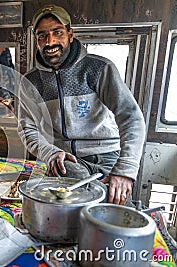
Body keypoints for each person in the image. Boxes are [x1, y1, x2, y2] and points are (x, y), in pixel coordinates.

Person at [17, 5, 146, 206]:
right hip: (66, 160)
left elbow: (131, 117)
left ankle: (139, 214)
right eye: (42, 36)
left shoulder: (99, 69)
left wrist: (125, 170)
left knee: (115, 206)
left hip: (108, 155)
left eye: (57, 32)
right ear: (36, 40)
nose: (50, 42)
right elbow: (28, 130)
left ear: (70, 34)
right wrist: (49, 153)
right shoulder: (30, 82)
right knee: (63, 198)